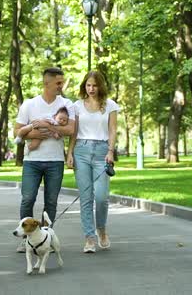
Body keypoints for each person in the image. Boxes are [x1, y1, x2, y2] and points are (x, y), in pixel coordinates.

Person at [13, 67, 75, 252]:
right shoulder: (29, 105)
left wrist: (46, 128)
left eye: (62, 82)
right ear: (46, 83)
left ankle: (46, 239)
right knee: (28, 198)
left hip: (55, 161)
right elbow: (17, 132)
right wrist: (38, 132)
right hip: (32, 161)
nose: (61, 86)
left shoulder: (67, 104)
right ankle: (26, 239)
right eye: (58, 82)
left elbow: (71, 130)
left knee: (51, 201)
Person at [66, 71, 119, 253]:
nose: (91, 89)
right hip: (81, 150)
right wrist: (70, 153)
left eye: (95, 85)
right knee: (86, 197)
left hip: (102, 151)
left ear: (101, 86)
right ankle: (89, 238)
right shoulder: (77, 106)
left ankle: (101, 230)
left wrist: (111, 151)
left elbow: (112, 130)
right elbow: (74, 132)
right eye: (88, 85)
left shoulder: (110, 105)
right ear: (84, 86)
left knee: (101, 197)